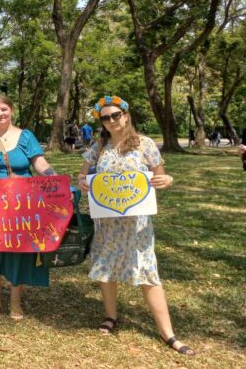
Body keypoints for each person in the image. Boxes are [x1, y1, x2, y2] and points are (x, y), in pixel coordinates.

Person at [77, 95, 195, 356]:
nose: (111, 121)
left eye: (115, 115)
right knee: (106, 267)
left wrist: (168, 180)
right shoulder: (99, 147)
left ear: (126, 115)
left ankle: (168, 333)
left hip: (137, 225)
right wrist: (83, 181)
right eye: (105, 118)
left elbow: (161, 174)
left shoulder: (145, 144)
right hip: (106, 222)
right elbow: (83, 174)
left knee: (147, 272)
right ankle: (110, 316)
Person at [0, 94, 57, 320]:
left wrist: (52, 176)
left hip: (21, 204)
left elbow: (39, 163)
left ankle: (15, 301)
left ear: (11, 111)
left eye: (4, 109)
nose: (0, 114)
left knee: (19, 249)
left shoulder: (26, 137)